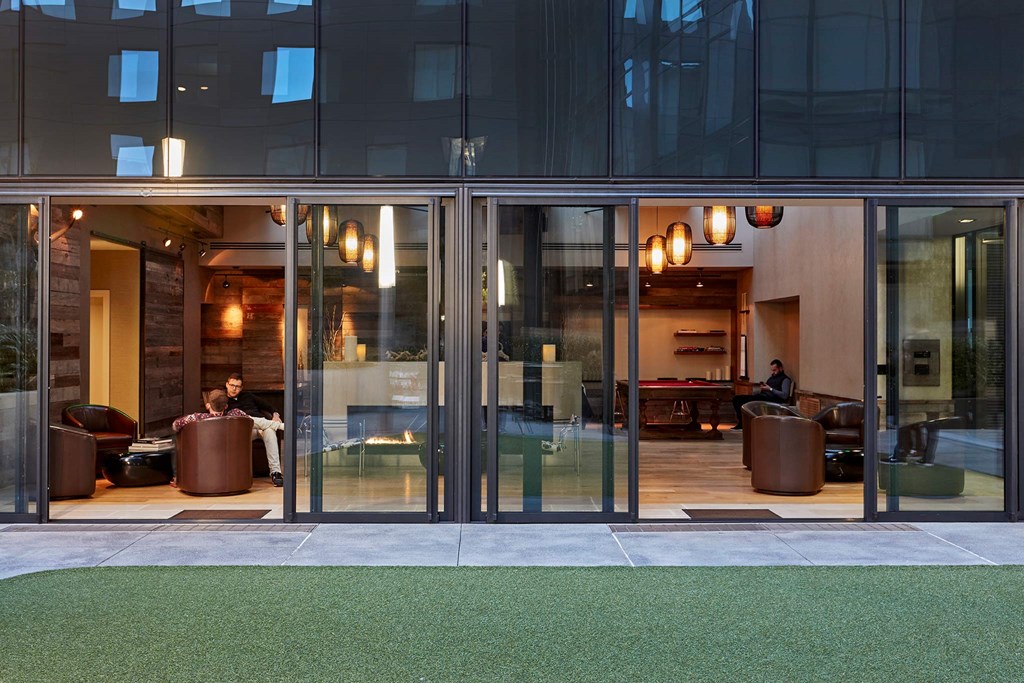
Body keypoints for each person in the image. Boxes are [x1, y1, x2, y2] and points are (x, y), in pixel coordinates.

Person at [224, 373, 285, 487]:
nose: (234, 389)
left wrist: (275, 414)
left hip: (260, 427)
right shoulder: (223, 400)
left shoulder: (248, 396)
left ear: (241, 387)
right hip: (244, 431)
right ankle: (280, 426)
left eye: (237, 386)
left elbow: (269, 406)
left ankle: (275, 473)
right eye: (232, 385)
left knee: (269, 431)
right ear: (227, 384)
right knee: (248, 419)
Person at [730, 359, 793, 429]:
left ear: (780, 368)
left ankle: (744, 424)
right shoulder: (771, 378)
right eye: (772, 370)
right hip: (763, 397)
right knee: (737, 399)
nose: (773, 372)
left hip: (773, 400)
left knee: (744, 401)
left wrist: (770, 389)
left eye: (775, 370)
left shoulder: (785, 379)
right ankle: (742, 422)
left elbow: (784, 395)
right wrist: (764, 388)